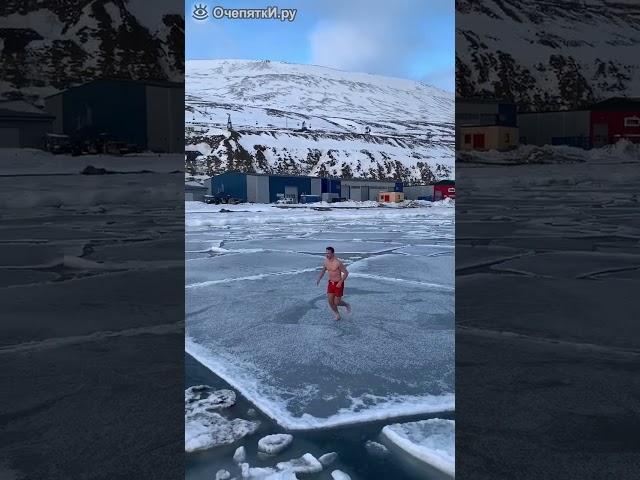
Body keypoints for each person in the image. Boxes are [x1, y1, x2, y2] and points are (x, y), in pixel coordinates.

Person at [316, 246, 351, 320]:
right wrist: (319, 278)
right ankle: (337, 315)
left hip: (338, 284)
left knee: (337, 302)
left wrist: (341, 282)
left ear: (333, 253)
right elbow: (323, 271)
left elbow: (346, 273)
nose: (327, 255)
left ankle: (346, 304)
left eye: (328, 253)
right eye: (326, 253)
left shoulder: (338, 263)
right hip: (331, 283)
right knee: (330, 301)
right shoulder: (326, 262)